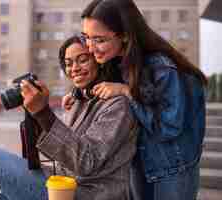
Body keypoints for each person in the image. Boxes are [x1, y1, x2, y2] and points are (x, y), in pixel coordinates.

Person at [0, 35, 137, 200]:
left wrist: (43, 113)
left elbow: (85, 162)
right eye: (68, 63)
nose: (74, 68)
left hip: (85, 193)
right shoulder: (79, 100)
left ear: (99, 62)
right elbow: (58, 153)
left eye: (83, 60)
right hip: (62, 183)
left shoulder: (117, 105)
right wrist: (34, 115)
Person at [62, 1, 207, 200]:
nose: (91, 48)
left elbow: (169, 127)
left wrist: (126, 92)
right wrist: (78, 94)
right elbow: (101, 82)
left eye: (99, 40)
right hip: (138, 165)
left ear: (125, 35)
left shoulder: (162, 69)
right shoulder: (115, 59)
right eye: (87, 37)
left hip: (172, 169)